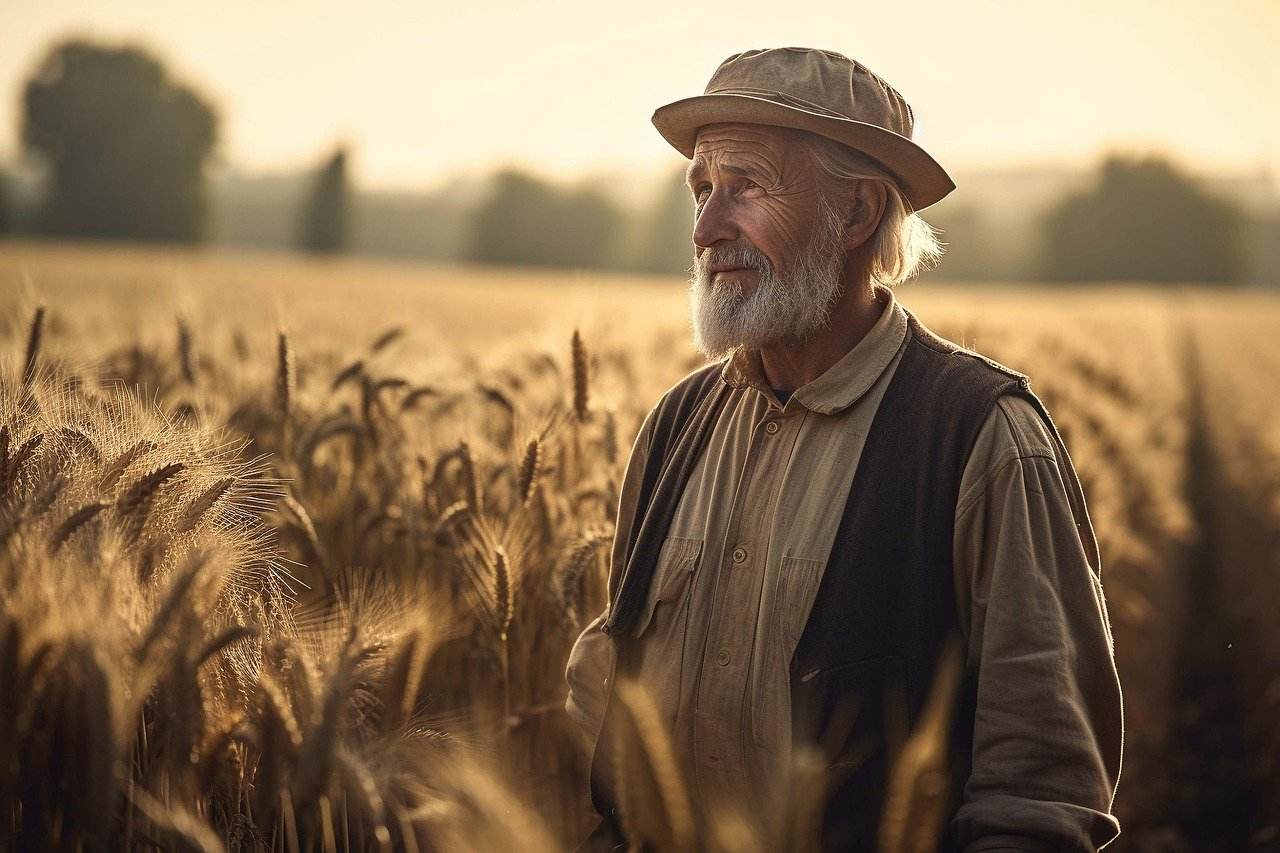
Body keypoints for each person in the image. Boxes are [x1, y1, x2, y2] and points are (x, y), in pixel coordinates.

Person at [564, 47, 1123, 852]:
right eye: (701, 189)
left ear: (858, 212)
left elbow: (1040, 794)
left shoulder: (982, 441)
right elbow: (617, 748)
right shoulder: (674, 428)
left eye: (746, 186)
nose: (706, 227)